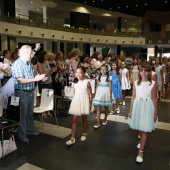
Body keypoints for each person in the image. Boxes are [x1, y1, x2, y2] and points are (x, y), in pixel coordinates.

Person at [12, 44, 47, 143]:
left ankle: (29, 130)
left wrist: (40, 77)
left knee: (29, 113)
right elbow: (20, 80)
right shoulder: (18, 64)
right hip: (22, 93)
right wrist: (35, 79)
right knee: (22, 115)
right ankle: (22, 135)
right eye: (31, 53)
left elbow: (33, 74)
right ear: (24, 53)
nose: (32, 55)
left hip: (30, 91)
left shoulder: (28, 63)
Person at [128, 62, 158, 163]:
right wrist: (131, 110)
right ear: (139, 71)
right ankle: (141, 141)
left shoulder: (152, 83)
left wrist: (155, 112)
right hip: (138, 106)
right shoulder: (136, 83)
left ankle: (141, 152)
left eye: (146, 70)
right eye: (142, 70)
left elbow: (154, 98)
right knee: (140, 127)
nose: (144, 73)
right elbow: (133, 97)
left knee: (145, 129)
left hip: (147, 107)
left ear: (150, 72)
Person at [66, 66, 92, 145]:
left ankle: (84, 133)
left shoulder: (87, 82)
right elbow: (73, 92)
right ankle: (72, 137)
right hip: (76, 101)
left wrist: (90, 104)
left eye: (80, 72)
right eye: (77, 72)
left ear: (84, 73)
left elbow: (90, 94)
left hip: (84, 101)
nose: (78, 74)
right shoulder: (74, 82)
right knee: (74, 120)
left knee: (84, 118)